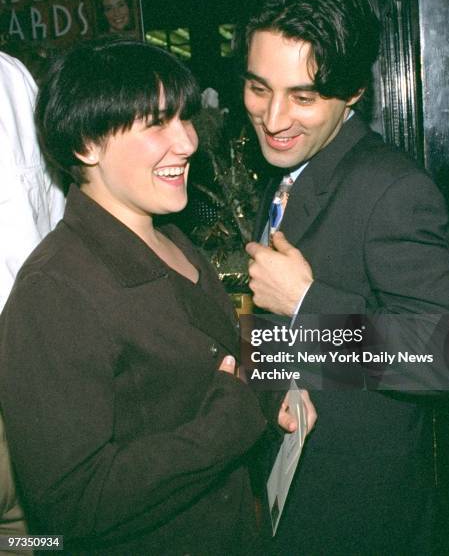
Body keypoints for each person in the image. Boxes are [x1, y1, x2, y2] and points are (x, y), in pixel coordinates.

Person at [0, 39, 268, 554]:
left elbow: (213, 356)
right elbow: (71, 505)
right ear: (86, 144)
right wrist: (228, 424)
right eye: (157, 124)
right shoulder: (55, 292)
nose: (188, 142)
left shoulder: (169, 235)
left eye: (184, 118)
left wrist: (280, 382)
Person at [239, 0, 449, 555]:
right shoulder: (295, 165)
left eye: (303, 96)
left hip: (360, 514)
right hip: (297, 488)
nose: (272, 119)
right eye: (257, 87)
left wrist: (304, 302)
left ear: (351, 95)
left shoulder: (390, 187)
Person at [0, 52, 64, 551]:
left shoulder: (11, 78)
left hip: (29, 381)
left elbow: (361, 352)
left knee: (37, 541)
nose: (186, 141)